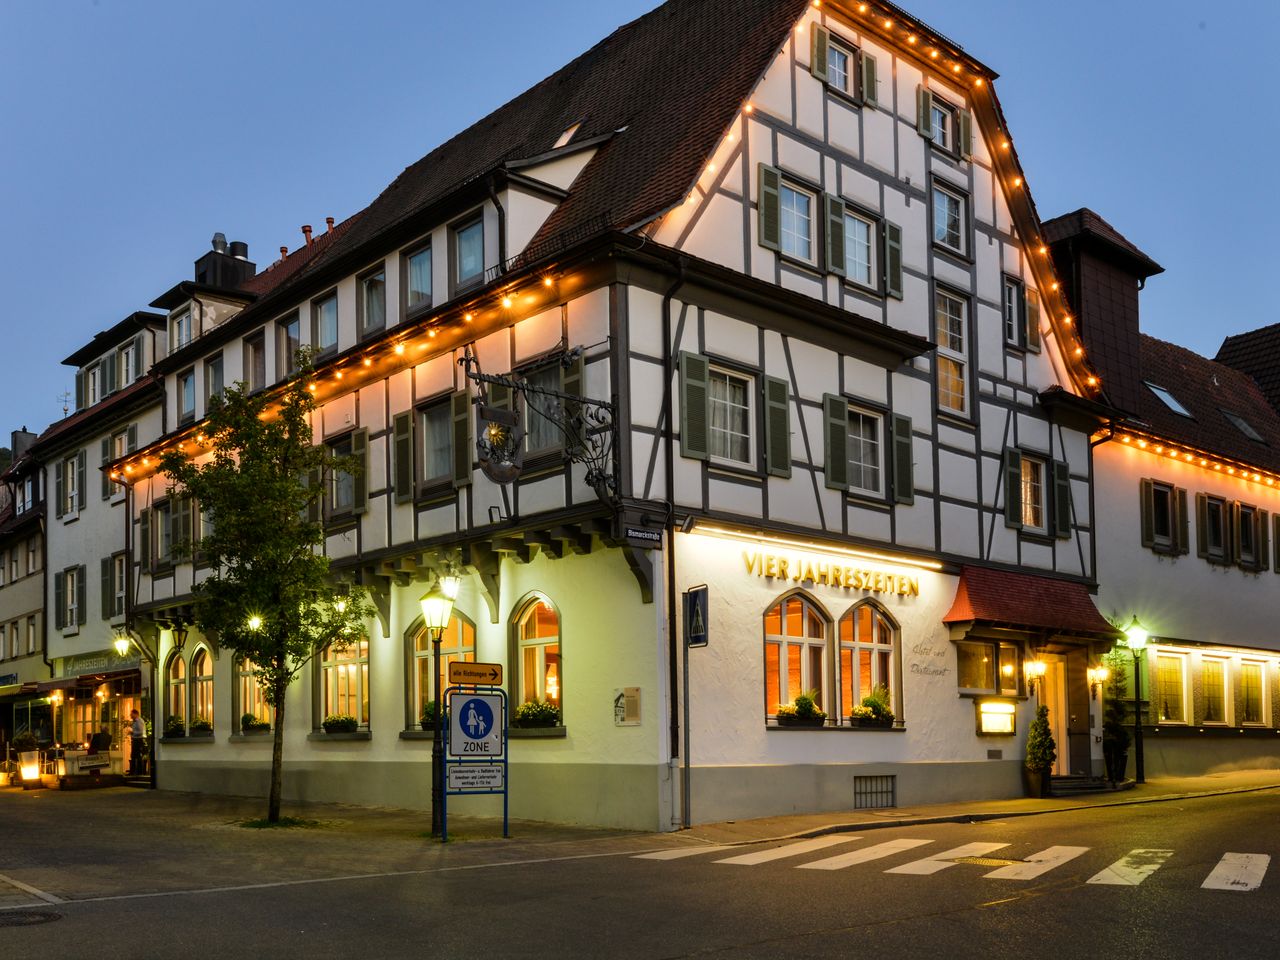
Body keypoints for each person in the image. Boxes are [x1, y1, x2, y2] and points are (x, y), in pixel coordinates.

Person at [127, 709, 146, 775]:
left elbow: (140, 732)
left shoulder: (139, 721)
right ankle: (133, 772)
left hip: (138, 740)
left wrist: (132, 732)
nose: (130, 715)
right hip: (135, 740)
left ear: (136, 714)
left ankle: (138, 772)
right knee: (133, 756)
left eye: (131, 714)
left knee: (137, 756)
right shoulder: (134, 722)